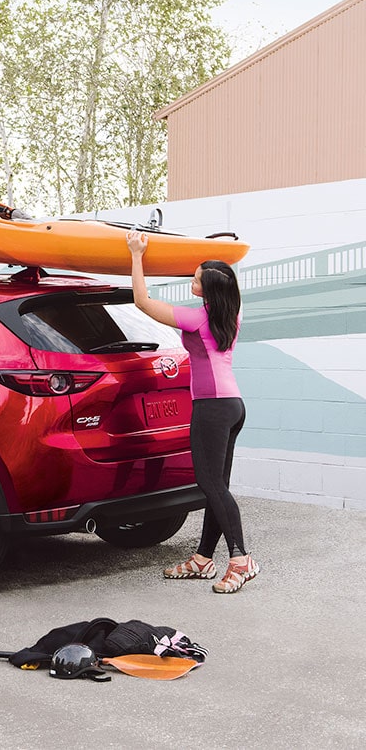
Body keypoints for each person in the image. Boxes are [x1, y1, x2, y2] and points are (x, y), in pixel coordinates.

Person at [126, 230, 259, 594]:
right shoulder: (233, 311)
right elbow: (225, 279)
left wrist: (137, 255)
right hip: (233, 405)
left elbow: (142, 302)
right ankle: (203, 559)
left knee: (209, 484)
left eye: (196, 279)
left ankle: (241, 559)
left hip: (212, 408)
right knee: (218, 486)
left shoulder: (196, 319)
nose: (191, 279)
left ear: (209, 290)